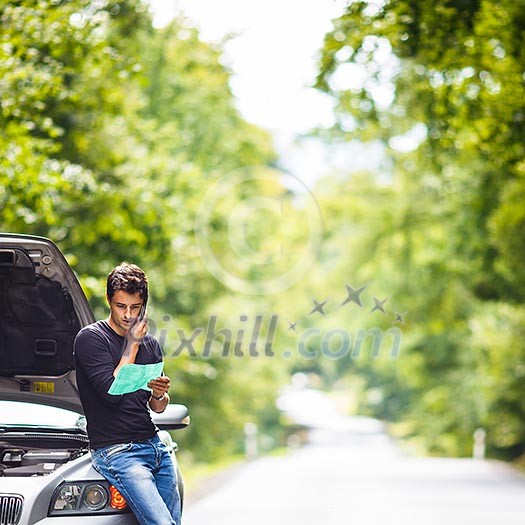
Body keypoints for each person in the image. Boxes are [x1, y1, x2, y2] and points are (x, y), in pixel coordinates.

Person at [74, 262, 181, 525]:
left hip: (155, 446)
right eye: (121, 306)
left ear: (143, 304)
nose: (128, 314)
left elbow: (157, 407)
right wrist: (132, 345)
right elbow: (112, 393)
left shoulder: (151, 345)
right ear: (109, 299)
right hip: (117, 452)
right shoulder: (91, 339)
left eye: (135, 307)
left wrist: (159, 393)